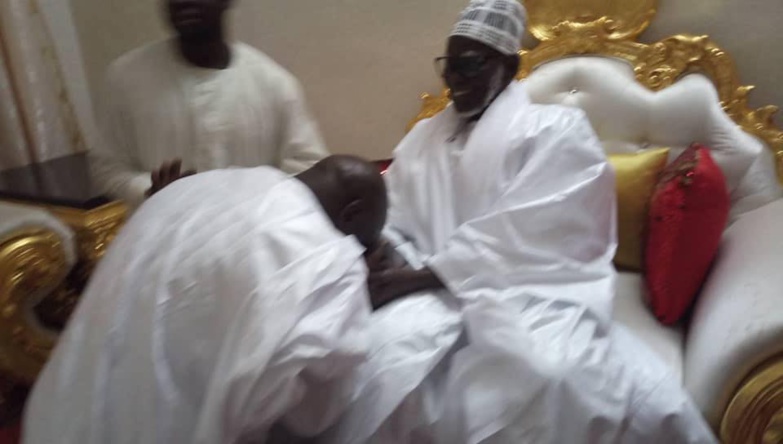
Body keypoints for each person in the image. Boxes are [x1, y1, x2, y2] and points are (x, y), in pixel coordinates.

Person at [326, 1, 718, 442]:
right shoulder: (426, 135)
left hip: (528, 289)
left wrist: (421, 278)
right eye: (449, 65)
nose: (455, 78)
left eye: (470, 65)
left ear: (508, 66)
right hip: (422, 278)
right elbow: (395, 207)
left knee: (550, 372)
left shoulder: (556, 130)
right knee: (380, 358)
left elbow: (538, 231)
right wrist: (384, 252)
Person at [23, 156, 387, 444]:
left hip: (56, 415)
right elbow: (314, 417)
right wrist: (358, 294)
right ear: (350, 214)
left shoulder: (193, 187)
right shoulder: (328, 259)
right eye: (363, 241)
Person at [89, 0, 328, 209]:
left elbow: (309, 168)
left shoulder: (274, 84)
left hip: (253, 246)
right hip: (162, 246)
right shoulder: (126, 78)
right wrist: (151, 191)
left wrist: (250, 200)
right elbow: (107, 167)